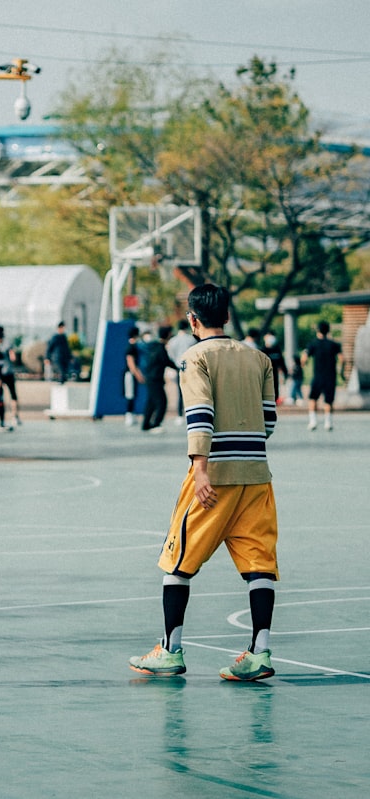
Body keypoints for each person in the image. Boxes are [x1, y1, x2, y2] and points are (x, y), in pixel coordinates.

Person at [129, 283, 279, 681]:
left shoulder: (194, 358)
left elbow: (200, 414)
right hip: (257, 476)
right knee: (259, 565)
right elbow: (270, 422)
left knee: (177, 563)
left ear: (193, 320)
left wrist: (200, 470)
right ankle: (259, 653)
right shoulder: (259, 358)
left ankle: (171, 649)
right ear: (226, 317)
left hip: (214, 477)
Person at [304, 320, 344, 431]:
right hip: (330, 376)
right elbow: (342, 359)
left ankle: (313, 422)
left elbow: (304, 356)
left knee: (313, 399)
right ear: (328, 331)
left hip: (318, 376)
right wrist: (341, 371)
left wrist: (304, 364)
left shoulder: (312, 343)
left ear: (318, 330)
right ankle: (328, 423)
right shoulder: (334, 344)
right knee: (328, 400)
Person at [140, 324, 177, 432]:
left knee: (151, 402)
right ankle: (156, 424)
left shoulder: (155, 346)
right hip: (155, 379)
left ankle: (146, 424)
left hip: (150, 378)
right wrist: (180, 368)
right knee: (162, 402)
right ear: (168, 335)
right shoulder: (161, 348)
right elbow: (167, 362)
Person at [166, 318, 195, 424]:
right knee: (191, 392)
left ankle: (179, 415)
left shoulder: (172, 341)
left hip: (178, 367)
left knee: (180, 392)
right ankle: (190, 413)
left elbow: (170, 355)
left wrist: (175, 362)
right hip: (190, 367)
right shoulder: (191, 339)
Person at [124, 327, 145, 427]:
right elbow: (131, 363)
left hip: (132, 374)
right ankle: (129, 415)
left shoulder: (134, 346)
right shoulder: (131, 347)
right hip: (130, 374)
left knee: (133, 394)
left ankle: (132, 414)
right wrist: (138, 375)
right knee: (130, 394)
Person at [0, 341, 23, 427]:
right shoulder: (8, 344)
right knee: (13, 396)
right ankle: (15, 417)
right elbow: (13, 357)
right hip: (8, 372)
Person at [262, 332, 288, 404]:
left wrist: (285, 372)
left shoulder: (277, 350)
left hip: (274, 372)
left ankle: (275, 399)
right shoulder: (263, 350)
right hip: (265, 373)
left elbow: (281, 362)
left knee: (275, 386)